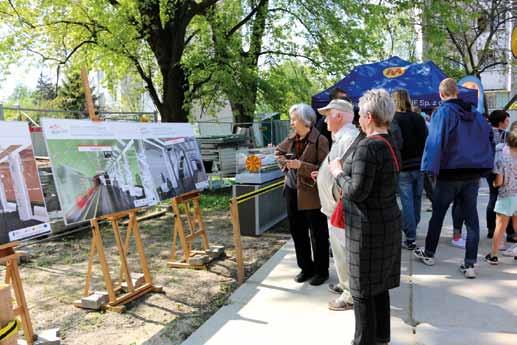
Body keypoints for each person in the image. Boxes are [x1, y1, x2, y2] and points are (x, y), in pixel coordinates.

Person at [328, 89, 401, 345]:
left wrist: (337, 172)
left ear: (369, 116)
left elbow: (357, 192)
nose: (358, 119)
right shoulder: (390, 141)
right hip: (387, 223)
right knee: (379, 286)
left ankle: (364, 341)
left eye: (360, 114)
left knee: (361, 291)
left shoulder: (369, 147)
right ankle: (381, 336)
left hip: (367, 229)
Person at [414, 78, 494, 279]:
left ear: (441, 94)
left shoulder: (442, 113)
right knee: (471, 219)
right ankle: (470, 264)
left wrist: (429, 170)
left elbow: (434, 143)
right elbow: (489, 139)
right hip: (472, 174)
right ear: (456, 93)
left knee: (438, 215)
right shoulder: (476, 115)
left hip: (449, 174)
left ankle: (430, 253)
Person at [313, 99, 363, 311]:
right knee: (341, 251)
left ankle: (350, 293)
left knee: (344, 251)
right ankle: (346, 286)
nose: (324, 120)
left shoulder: (348, 138)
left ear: (339, 116)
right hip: (335, 208)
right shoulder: (342, 137)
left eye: (328, 115)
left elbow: (346, 172)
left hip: (338, 209)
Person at [275, 103, 330, 286]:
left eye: (294, 119)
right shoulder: (292, 138)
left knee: (318, 233)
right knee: (297, 231)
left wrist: (301, 166)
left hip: (311, 193)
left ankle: (321, 271)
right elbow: (278, 152)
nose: (291, 123)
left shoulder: (320, 140)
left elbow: (325, 169)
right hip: (291, 190)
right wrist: (284, 162)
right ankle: (306, 268)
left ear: (305, 121)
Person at [391, 89, 428, 250]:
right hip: (419, 164)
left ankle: (411, 235)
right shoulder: (419, 118)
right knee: (416, 199)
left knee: (407, 202)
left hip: (403, 166)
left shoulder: (394, 120)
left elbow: (394, 144)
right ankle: (412, 228)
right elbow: (427, 140)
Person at [485, 122, 517, 264]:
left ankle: (494, 255)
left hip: (506, 195)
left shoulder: (502, 159)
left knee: (500, 226)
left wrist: (493, 184)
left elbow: (499, 181)